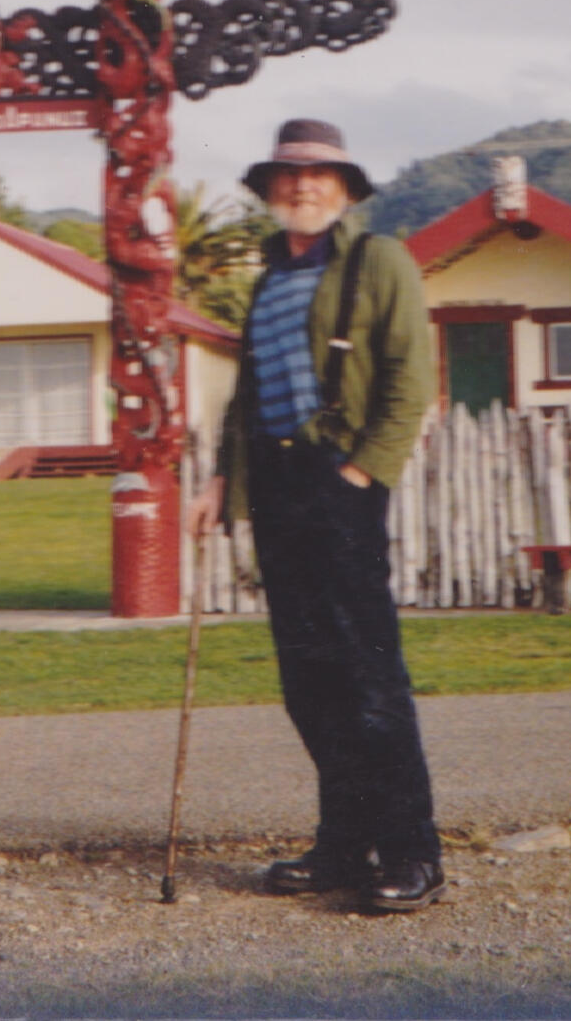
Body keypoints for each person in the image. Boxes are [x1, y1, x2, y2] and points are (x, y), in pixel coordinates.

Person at [189, 118, 444, 914]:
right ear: (270, 190)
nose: (304, 187)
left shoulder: (380, 260)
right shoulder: (267, 279)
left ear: (345, 190)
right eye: (289, 177)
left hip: (341, 483)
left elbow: (410, 377)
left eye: (320, 176)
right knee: (309, 678)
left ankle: (411, 854)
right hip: (275, 485)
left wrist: (364, 469)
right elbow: (247, 397)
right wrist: (220, 482)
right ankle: (343, 846)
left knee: (367, 675)